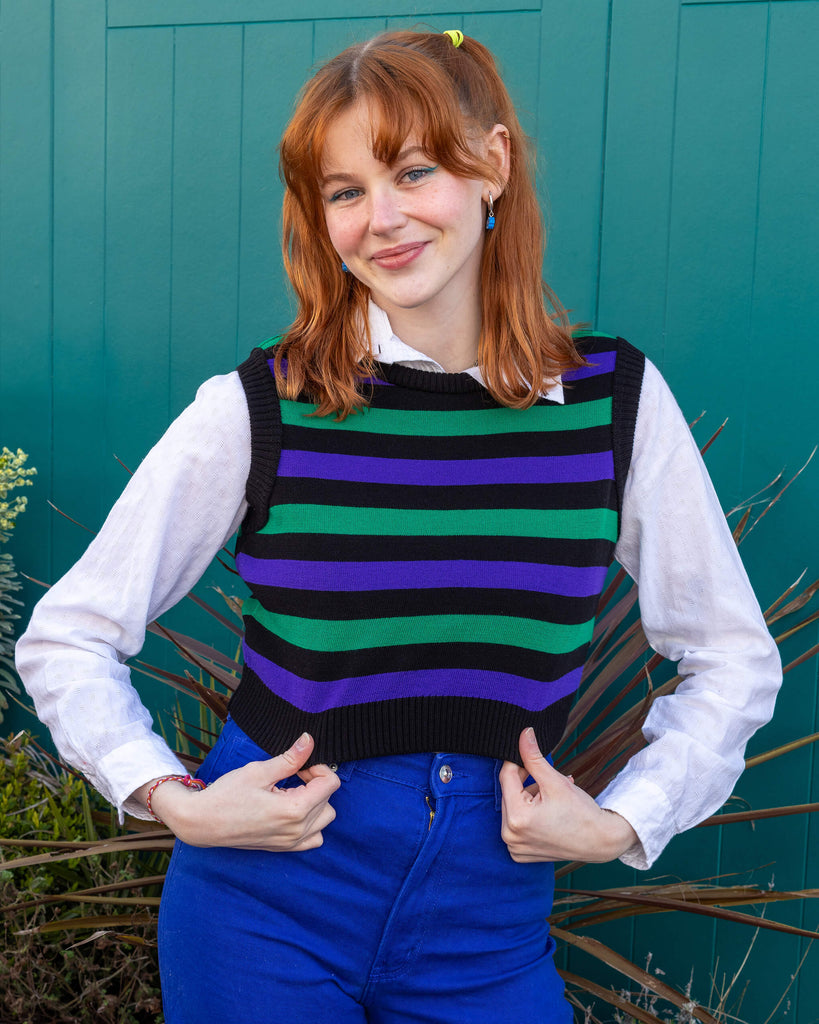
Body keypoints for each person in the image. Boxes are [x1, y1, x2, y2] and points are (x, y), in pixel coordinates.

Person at [16, 29, 781, 1024]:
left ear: (492, 164)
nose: (381, 219)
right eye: (345, 191)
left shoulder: (611, 401)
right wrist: (173, 797)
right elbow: (69, 635)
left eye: (413, 171)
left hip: (488, 929)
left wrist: (623, 821)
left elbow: (731, 656)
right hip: (262, 909)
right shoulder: (263, 407)